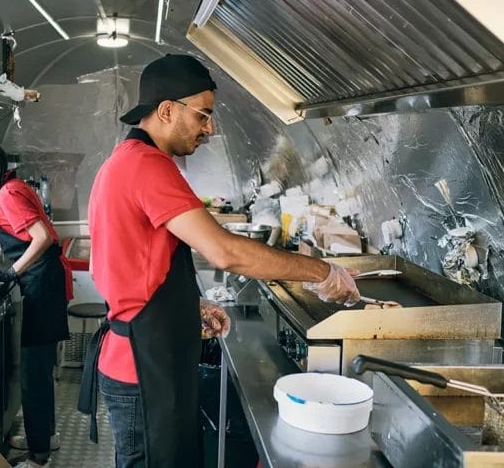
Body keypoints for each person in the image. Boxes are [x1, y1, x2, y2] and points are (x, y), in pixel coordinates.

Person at [78, 54, 360, 468]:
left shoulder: (126, 161)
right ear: (167, 110)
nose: (209, 128)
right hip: (143, 369)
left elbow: (137, 268)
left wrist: (186, 309)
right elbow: (223, 251)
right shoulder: (147, 166)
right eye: (203, 116)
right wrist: (323, 271)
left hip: (146, 356)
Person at [0, 137, 71, 468]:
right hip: (44, 283)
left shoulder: (7, 194)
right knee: (39, 369)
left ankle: (39, 458)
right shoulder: (12, 187)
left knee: (34, 374)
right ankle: (45, 437)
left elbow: (42, 237)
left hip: (41, 286)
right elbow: (24, 232)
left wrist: (12, 273)